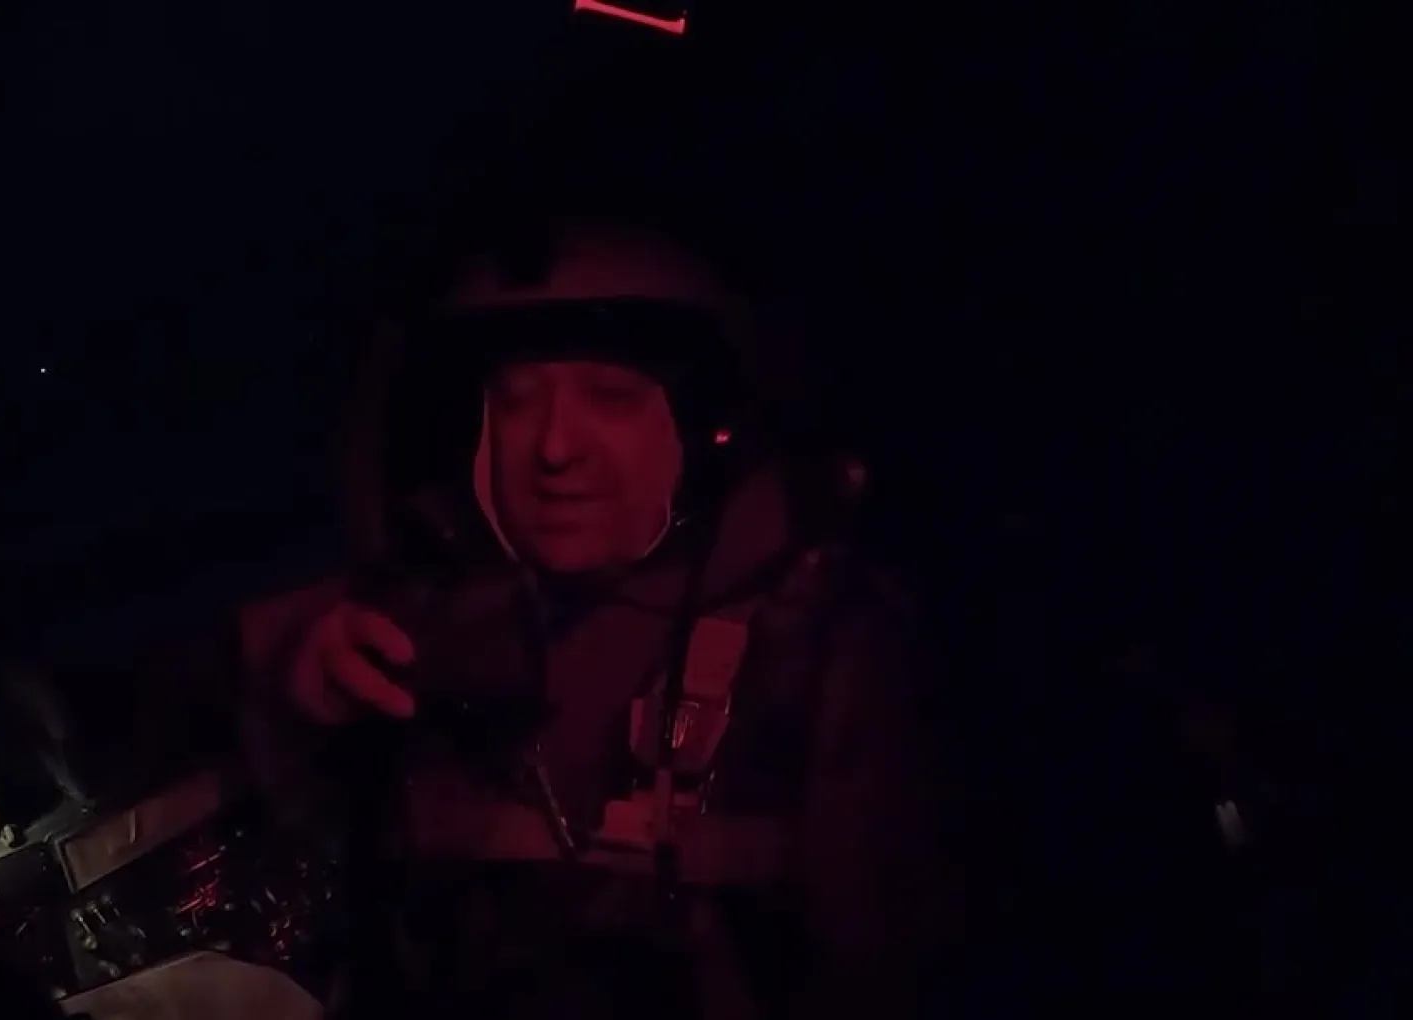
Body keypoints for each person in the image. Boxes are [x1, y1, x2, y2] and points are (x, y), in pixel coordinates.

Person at [238, 220, 963, 1019]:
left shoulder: (818, 638)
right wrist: (295, 707)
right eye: (516, 401)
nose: (555, 448)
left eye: (611, 398)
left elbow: (889, 964)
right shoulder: (408, 623)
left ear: (709, 432)